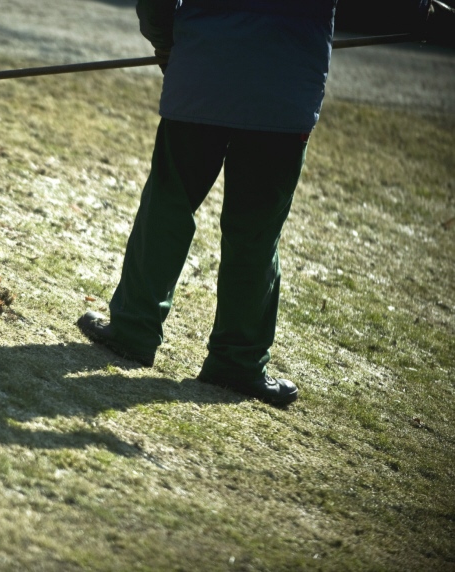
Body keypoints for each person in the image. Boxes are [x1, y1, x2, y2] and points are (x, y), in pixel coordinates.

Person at [76, 0, 438, 406]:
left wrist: (168, 43)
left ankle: (132, 330)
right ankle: (237, 361)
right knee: (255, 232)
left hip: (203, 71)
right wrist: (420, 13)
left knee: (168, 204)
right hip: (283, 90)